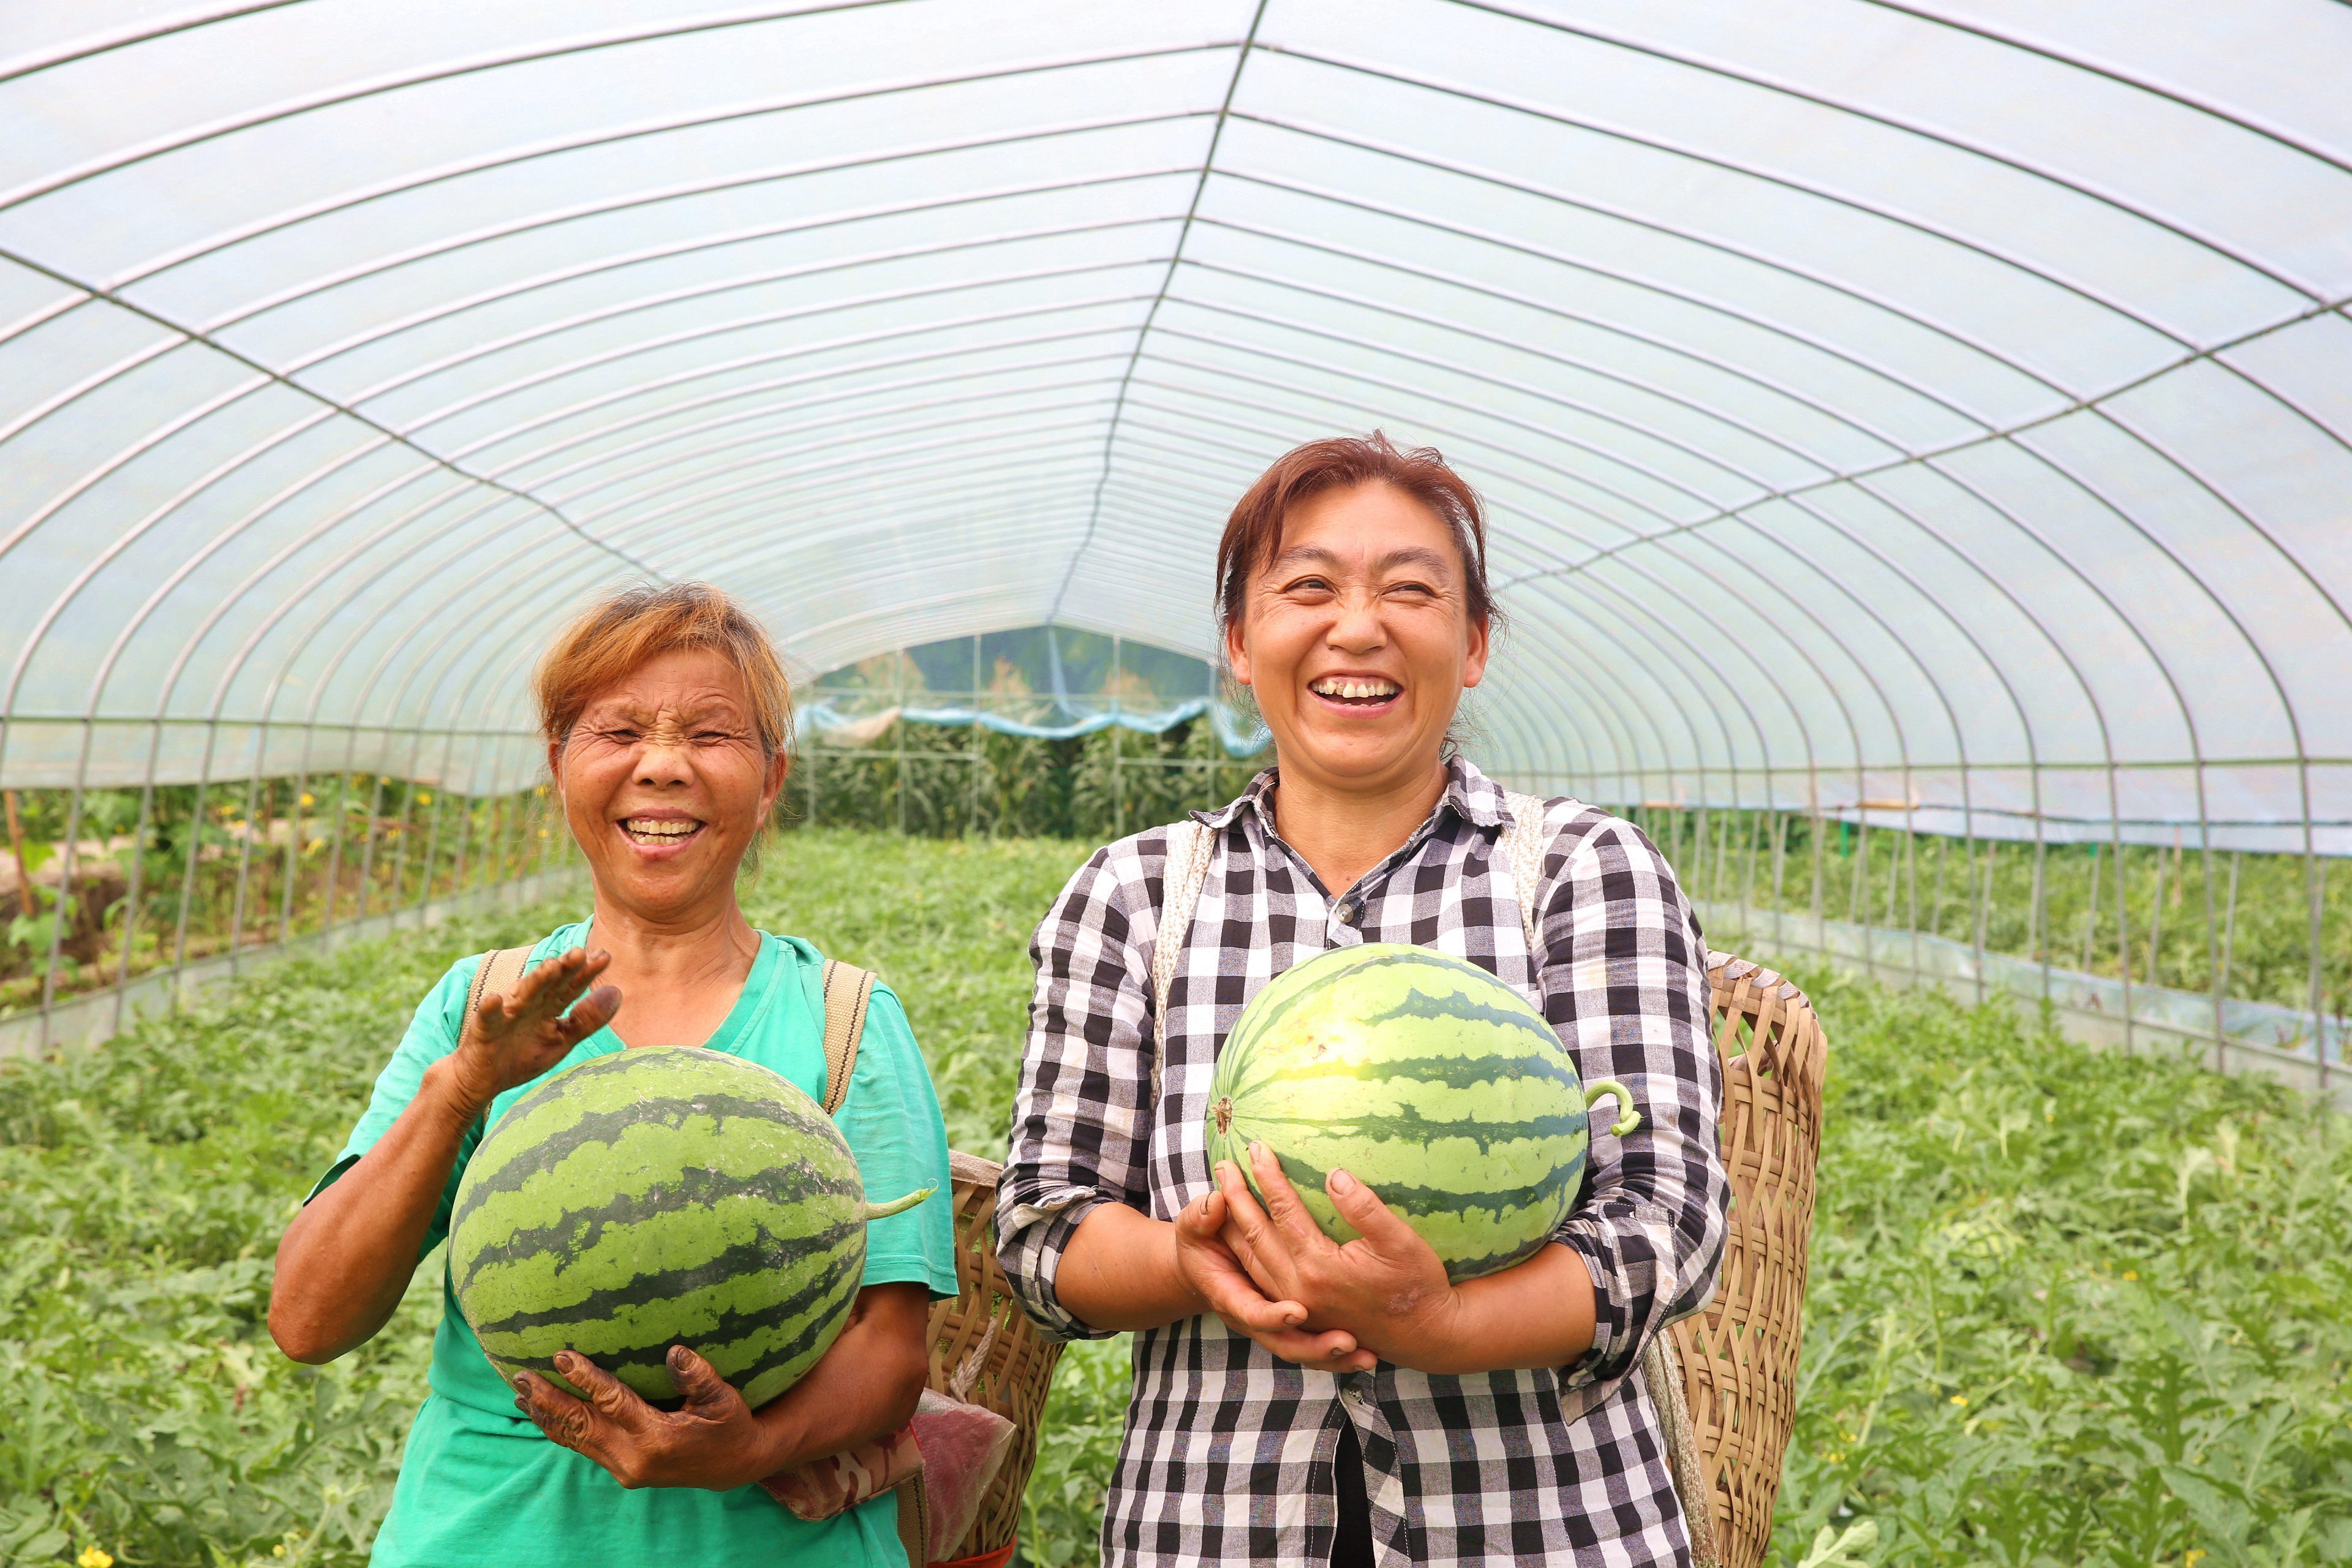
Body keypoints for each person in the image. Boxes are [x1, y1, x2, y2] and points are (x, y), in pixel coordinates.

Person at [997, 433, 1729, 1567]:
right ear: (1241, 642)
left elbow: (1666, 1221)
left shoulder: (1582, 872)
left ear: (1473, 641)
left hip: (1545, 1529)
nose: (1357, 627)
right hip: (1211, 1527)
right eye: (1308, 587)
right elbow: (1045, 1231)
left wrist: (1445, 1328)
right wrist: (1191, 1263)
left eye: (1410, 590)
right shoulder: (1136, 896)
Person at [270, 582, 957, 1567]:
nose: (663, 766)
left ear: (770, 782)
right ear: (561, 767)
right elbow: (307, 1319)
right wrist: (461, 1091)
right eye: (618, 730)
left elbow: (892, 1354)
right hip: (490, 1535)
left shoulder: (845, 1022)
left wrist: (749, 1448)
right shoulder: (482, 1006)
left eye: (712, 735)